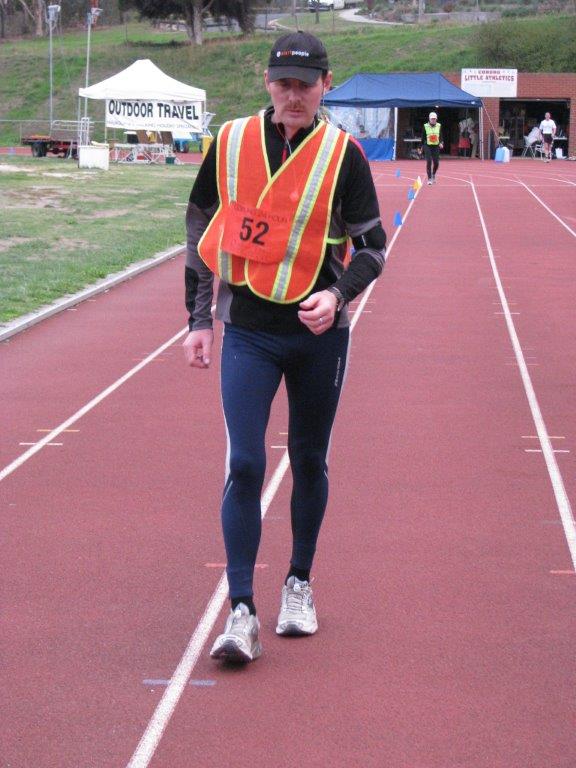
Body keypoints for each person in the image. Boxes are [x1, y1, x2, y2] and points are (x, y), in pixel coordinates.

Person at [183, 31, 386, 663]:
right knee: (245, 462)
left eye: (305, 84)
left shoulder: (344, 155)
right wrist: (198, 319)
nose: (293, 95)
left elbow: (374, 246)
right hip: (247, 329)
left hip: (318, 336)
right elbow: (199, 227)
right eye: (283, 83)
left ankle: (299, 582)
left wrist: (339, 295)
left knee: (308, 458)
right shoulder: (230, 142)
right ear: (267, 84)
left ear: (326, 85)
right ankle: (241, 610)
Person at [420, 112, 443, 185]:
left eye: (434, 119)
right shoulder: (425, 126)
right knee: (429, 161)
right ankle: (429, 178)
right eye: (432, 119)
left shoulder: (439, 125)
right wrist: (420, 147)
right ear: (429, 119)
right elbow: (423, 137)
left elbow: (440, 135)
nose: (433, 120)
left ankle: (433, 174)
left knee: (436, 163)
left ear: (436, 119)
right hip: (427, 145)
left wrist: (441, 142)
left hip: (436, 146)